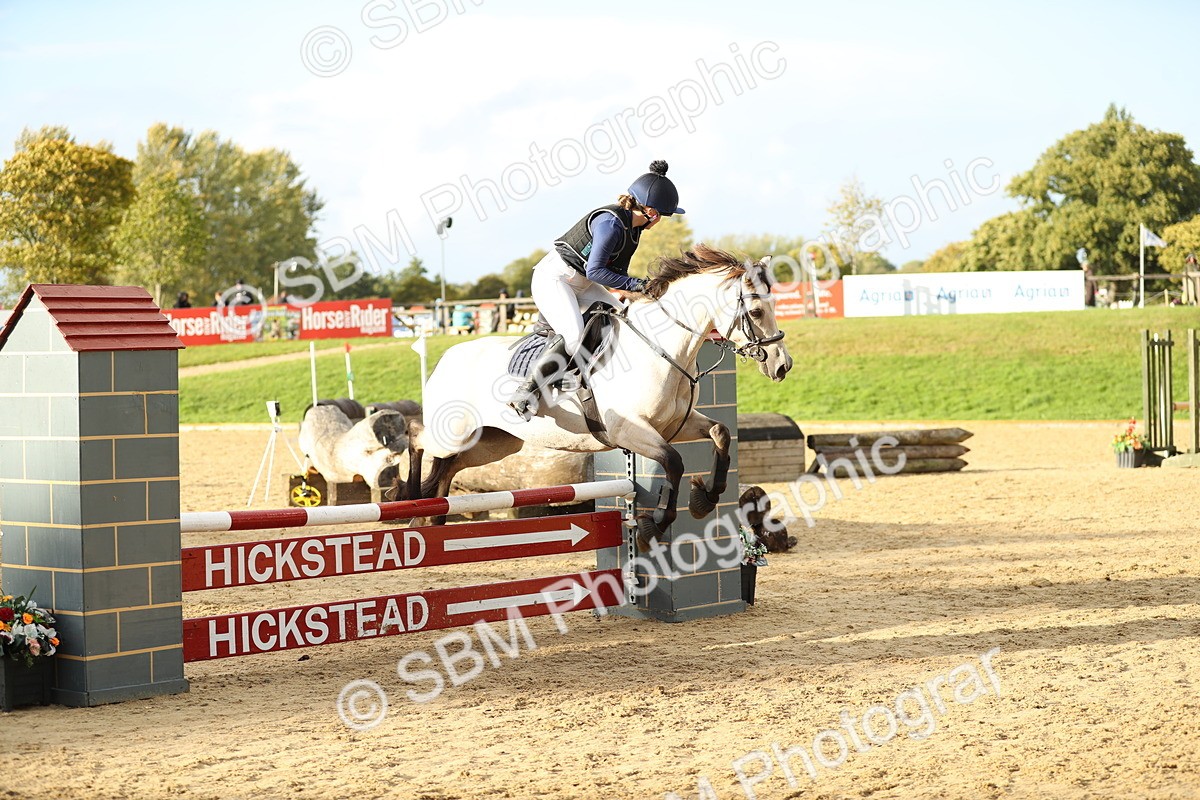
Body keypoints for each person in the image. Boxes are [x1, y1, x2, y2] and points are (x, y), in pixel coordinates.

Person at [507, 160, 685, 420]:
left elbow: (617, 275)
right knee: (573, 335)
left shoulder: (634, 230)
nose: (661, 222)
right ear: (652, 213)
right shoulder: (610, 224)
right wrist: (637, 284)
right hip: (555, 278)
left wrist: (643, 294)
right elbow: (597, 272)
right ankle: (526, 392)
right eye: (663, 216)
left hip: (583, 282)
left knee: (625, 316)